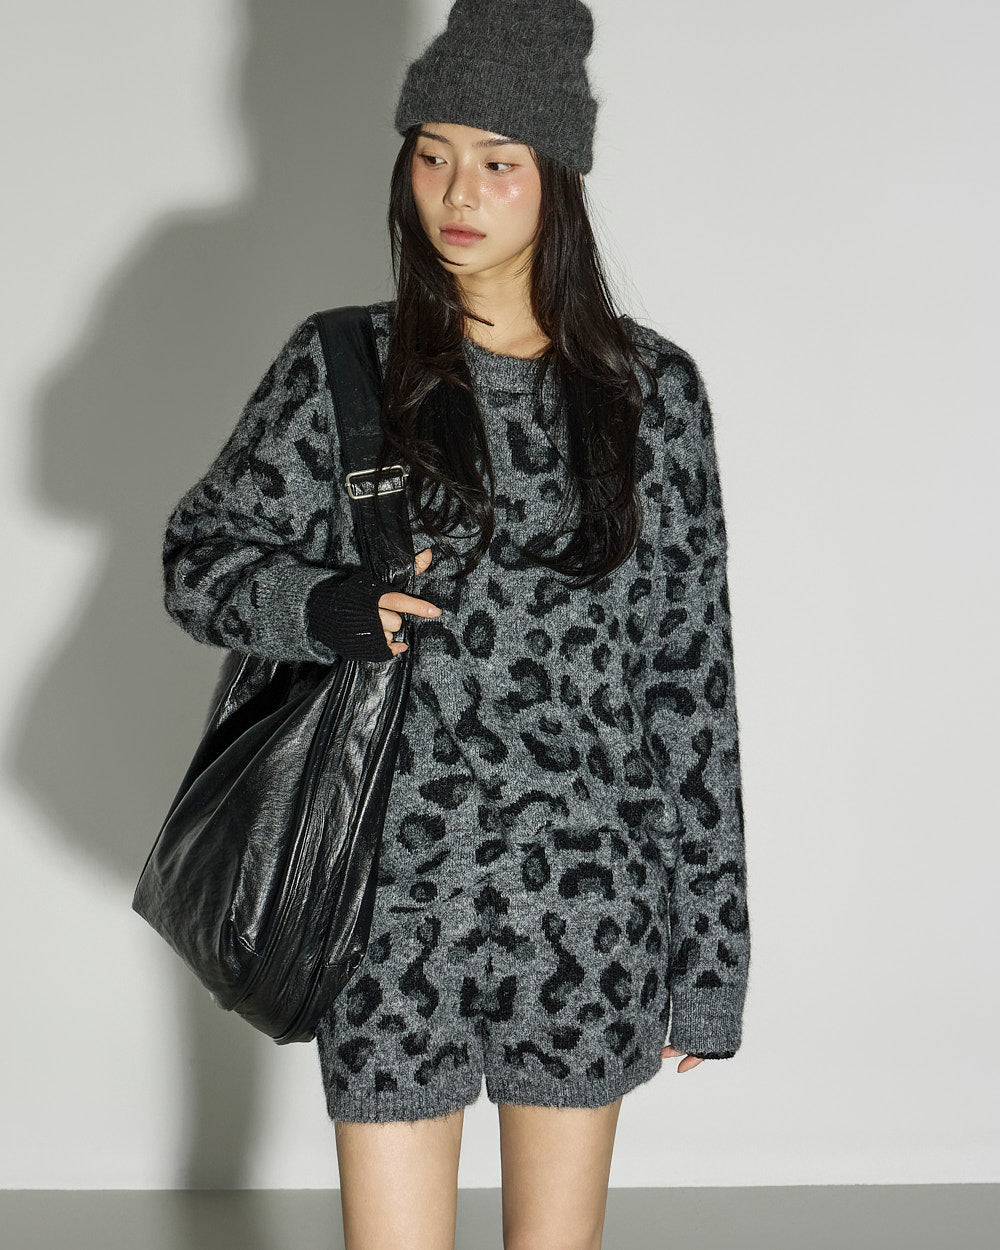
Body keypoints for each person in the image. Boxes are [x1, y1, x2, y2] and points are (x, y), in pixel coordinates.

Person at [160, 1, 751, 1246]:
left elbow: (690, 686)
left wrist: (709, 961)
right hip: (388, 903)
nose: (457, 192)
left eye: (497, 161)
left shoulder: (651, 394)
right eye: (431, 154)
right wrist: (327, 606)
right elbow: (198, 562)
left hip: (590, 906)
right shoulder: (344, 369)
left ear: (559, 176)